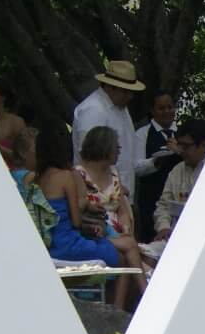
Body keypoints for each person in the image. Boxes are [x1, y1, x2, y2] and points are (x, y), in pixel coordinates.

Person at [34, 125, 144, 306]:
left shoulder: (39, 178)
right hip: (69, 246)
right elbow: (76, 222)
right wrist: (85, 203)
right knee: (125, 256)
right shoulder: (66, 176)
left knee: (125, 250)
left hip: (51, 245)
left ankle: (121, 307)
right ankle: (123, 308)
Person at [72, 58, 145, 200]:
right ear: (110, 87)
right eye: (125, 92)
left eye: (131, 92)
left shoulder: (121, 109)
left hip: (120, 196)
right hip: (99, 197)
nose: (130, 97)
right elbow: (88, 158)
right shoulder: (93, 110)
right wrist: (111, 187)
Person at [151, 118, 205, 243]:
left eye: (186, 146)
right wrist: (164, 228)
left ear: (203, 146)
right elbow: (163, 205)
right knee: (145, 256)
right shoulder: (177, 171)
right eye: (180, 145)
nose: (181, 150)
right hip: (173, 236)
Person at [133, 91, 180, 244]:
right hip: (151, 198)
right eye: (161, 108)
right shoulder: (142, 134)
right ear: (153, 111)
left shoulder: (182, 133)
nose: (167, 112)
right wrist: (155, 162)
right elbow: (137, 167)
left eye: (170, 107)